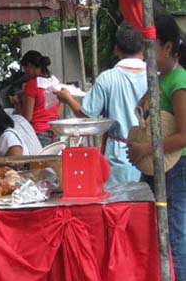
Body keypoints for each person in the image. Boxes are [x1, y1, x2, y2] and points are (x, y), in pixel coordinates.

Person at [128, 13, 186, 281]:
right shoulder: (159, 79)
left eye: (150, 47)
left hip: (176, 169)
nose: (144, 54)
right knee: (153, 231)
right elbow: (142, 111)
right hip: (157, 168)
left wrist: (146, 149)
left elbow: (184, 136)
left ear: (167, 47)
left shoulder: (178, 82)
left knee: (174, 234)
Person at [56, 22, 147, 185]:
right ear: (144, 48)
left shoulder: (108, 78)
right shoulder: (154, 76)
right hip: (151, 153)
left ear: (116, 49)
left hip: (121, 154)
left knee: (121, 205)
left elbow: (86, 115)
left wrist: (68, 98)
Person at [20, 50, 61, 147]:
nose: (25, 73)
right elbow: (58, 112)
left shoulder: (32, 85)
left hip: (38, 134)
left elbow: (28, 117)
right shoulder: (56, 82)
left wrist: (18, 104)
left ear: (30, 66)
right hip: (55, 132)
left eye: (25, 69)